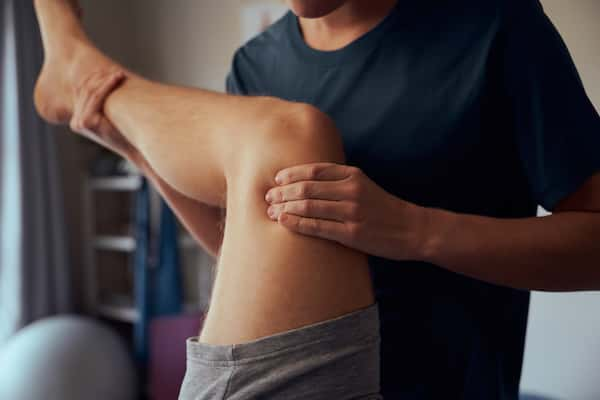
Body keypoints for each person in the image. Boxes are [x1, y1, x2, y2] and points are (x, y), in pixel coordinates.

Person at [34, 0, 600, 399]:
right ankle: (86, 78)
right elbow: (238, 246)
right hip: (294, 361)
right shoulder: (255, 65)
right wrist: (132, 149)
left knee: (287, 133)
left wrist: (413, 230)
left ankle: (78, 64)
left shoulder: (496, 24)